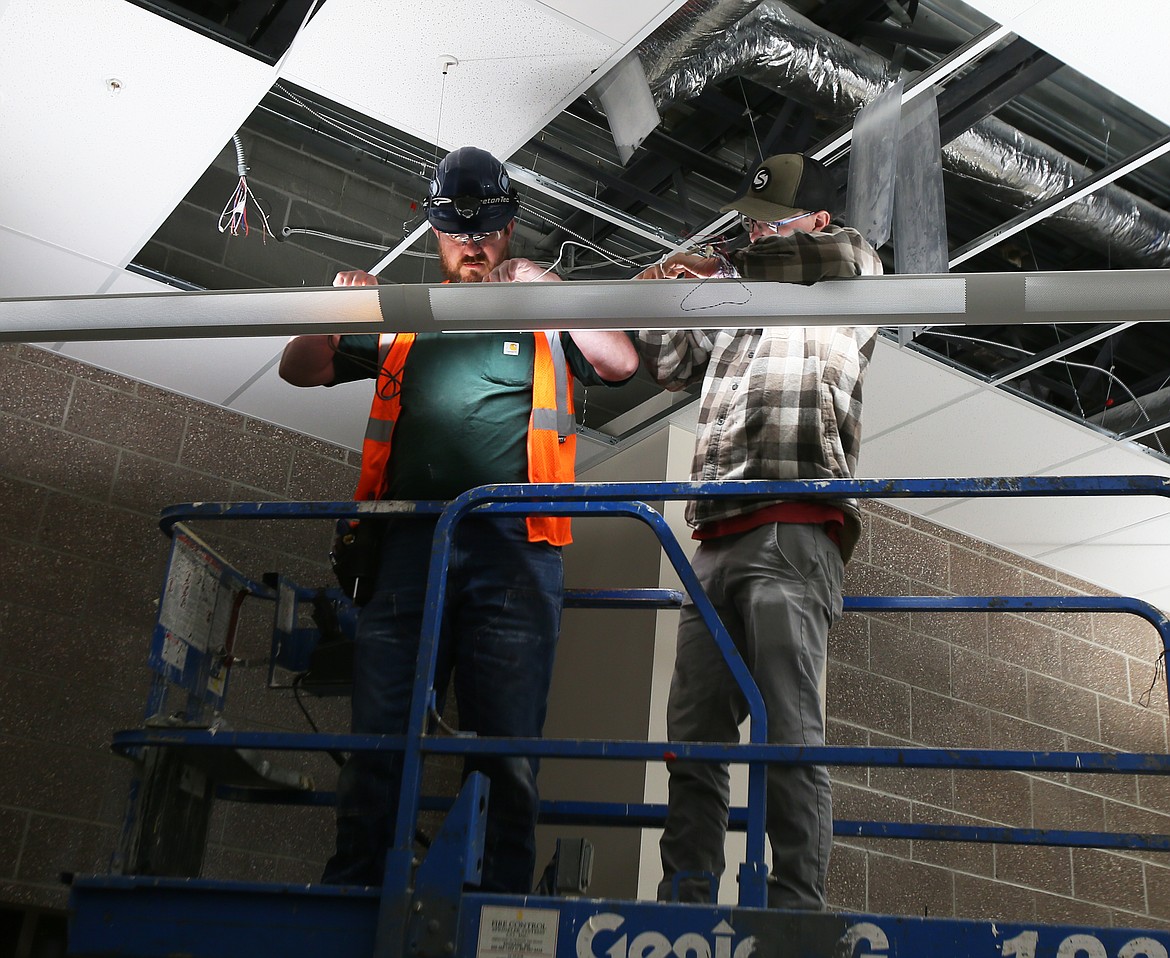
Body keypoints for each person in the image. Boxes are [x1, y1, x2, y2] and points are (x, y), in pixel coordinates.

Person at [280, 146, 638, 892]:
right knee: (382, 737)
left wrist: (548, 286)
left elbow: (619, 361)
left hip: (514, 548)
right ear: (435, 233)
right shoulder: (405, 318)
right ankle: (357, 887)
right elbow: (301, 366)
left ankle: (496, 902)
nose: (473, 245)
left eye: (487, 231)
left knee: (505, 746)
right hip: (408, 542)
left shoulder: (545, 315)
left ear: (510, 229)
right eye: (457, 232)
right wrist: (335, 310)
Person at [632, 152, 883, 910]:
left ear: (817, 218)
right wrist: (657, 297)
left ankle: (796, 901)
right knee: (692, 733)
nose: (754, 226)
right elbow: (674, 364)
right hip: (716, 531)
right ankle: (687, 896)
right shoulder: (739, 296)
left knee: (790, 726)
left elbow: (818, 256)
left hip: (795, 523)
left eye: (771, 216)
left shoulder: (850, 266)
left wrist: (713, 265)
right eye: (750, 216)